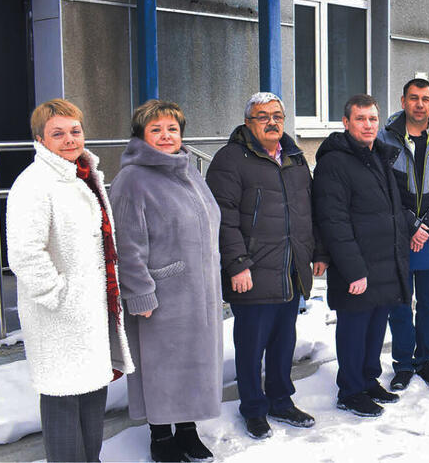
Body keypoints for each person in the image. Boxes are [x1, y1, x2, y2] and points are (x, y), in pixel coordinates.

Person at [6, 99, 134, 462]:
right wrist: (59, 296)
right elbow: (25, 254)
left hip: (90, 313)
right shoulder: (34, 184)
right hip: (59, 318)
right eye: (57, 134)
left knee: (92, 397)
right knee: (63, 402)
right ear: (40, 139)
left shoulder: (83, 176)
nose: (69, 140)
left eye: (75, 131)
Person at [110, 100, 222, 462]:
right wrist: (140, 293)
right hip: (162, 294)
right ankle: (160, 437)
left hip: (199, 292)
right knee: (162, 369)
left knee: (191, 366)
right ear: (140, 135)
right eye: (156, 129)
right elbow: (126, 244)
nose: (165, 136)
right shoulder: (133, 179)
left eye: (172, 129)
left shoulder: (187, 170)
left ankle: (187, 431)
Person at [205, 92, 322, 439]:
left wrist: (317, 252)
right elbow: (222, 217)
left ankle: (281, 401)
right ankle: (254, 408)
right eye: (262, 116)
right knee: (251, 345)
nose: (272, 122)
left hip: (290, 268)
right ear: (248, 123)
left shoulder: (295, 158)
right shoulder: (230, 159)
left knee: (284, 341)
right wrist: (237, 264)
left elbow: (308, 210)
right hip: (252, 271)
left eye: (277, 116)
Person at [314, 94, 410, 418]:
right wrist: (354, 270)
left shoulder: (378, 155)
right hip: (357, 267)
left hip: (384, 262)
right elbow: (333, 221)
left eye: (373, 119)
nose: (368, 125)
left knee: (376, 328)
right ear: (346, 122)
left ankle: (369, 380)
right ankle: (351, 391)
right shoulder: (334, 163)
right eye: (360, 119)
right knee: (354, 331)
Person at [377, 79, 429, 392]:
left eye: (425, 98)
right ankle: (402, 364)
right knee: (400, 303)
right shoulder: (384, 138)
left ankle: (426, 361)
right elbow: (382, 189)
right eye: (413, 98)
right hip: (396, 236)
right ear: (403, 101)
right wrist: (412, 225)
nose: (419, 104)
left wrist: (426, 228)